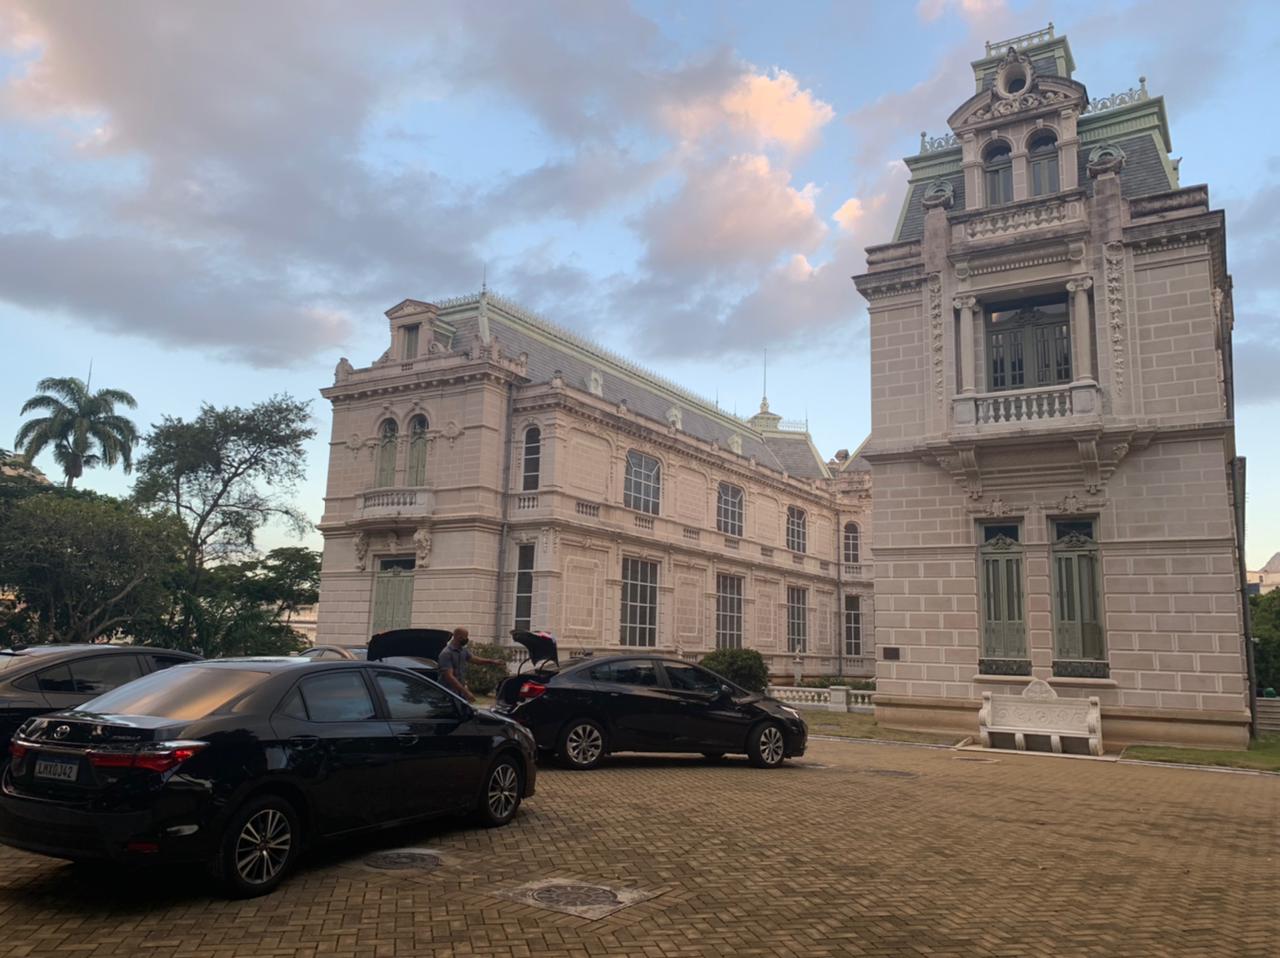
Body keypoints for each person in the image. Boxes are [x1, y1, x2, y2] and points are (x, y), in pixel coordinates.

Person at [436, 628, 503, 703]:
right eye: (465, 637)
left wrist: (492, 661)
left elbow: (476, 660)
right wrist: (466, 692)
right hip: (447, 693)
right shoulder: (446, 653)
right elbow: (449, 677)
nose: (467, 639)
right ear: (459, 637)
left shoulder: (463, 650)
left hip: (459, 692)